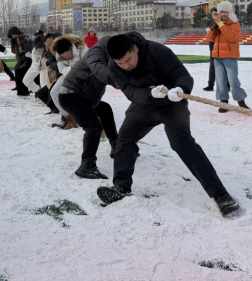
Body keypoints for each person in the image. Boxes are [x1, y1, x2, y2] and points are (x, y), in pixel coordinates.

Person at [96, 33, 239, 218]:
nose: (126, 66)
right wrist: (150, 94)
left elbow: (182, 75)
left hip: (172, 104)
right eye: (120, 63)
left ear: (135, 49)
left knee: (181, 142)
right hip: (144, 105)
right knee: (124, 139)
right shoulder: (114, 66)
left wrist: (180, 88)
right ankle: (121, 188)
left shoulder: (158, 51)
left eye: (128, 60)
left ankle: (220, 195)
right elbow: (130, 91)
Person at [58, 36, 118, 179]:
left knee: (104, 109)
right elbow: (106, 75)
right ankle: (87, 165)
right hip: (71, 96)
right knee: (93, 127)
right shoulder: (96, 55)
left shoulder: (107, 56)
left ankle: (116, 146)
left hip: (82, 96)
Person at [205, 1, 249, 113]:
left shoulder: (235, 24)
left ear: (230, 13)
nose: (223, 14)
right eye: (221, 12)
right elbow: (209, 38)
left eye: (226, 12)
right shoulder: (217, 24)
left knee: (233, 81)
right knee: (220, 81)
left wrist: (221, 24)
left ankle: (241, 101)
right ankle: (224, 102)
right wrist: (214, 25)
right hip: (217, 57)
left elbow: (231, 37)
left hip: (230, 56)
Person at [49, 35, 88, 129]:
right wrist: (73, 68)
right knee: (54, 92)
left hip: (84, 75)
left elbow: (86, 65)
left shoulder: (82, 48)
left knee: (83, 93)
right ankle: (70, 118)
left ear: (71, 48)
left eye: (68, 55)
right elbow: (61, 69)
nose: (67, 57)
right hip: (67, 75)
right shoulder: (58, 53)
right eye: (64, 57)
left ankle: (89, 115)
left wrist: (75, 68)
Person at [7, 26, 35, 97]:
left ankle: (29, 88)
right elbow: (13, 49)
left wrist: (24, 51)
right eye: (12, 36)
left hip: (29, 57)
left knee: (25, 71)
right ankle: (20, 87)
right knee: (18, 70)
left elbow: (31, 47)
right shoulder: (13, 39)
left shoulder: (26, 37)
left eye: (14, 35)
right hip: (21, 57)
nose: (13, 37)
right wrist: (18, 50)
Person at [203, 8, 217, 91]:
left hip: (220, 48)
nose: (213, 16)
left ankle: (228, 85)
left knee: (224, 67)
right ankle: (210, 85)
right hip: (212, 48)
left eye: (215, 14)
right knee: (212, 67)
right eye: (212, 14)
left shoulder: (221, 23)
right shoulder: (212, 23)